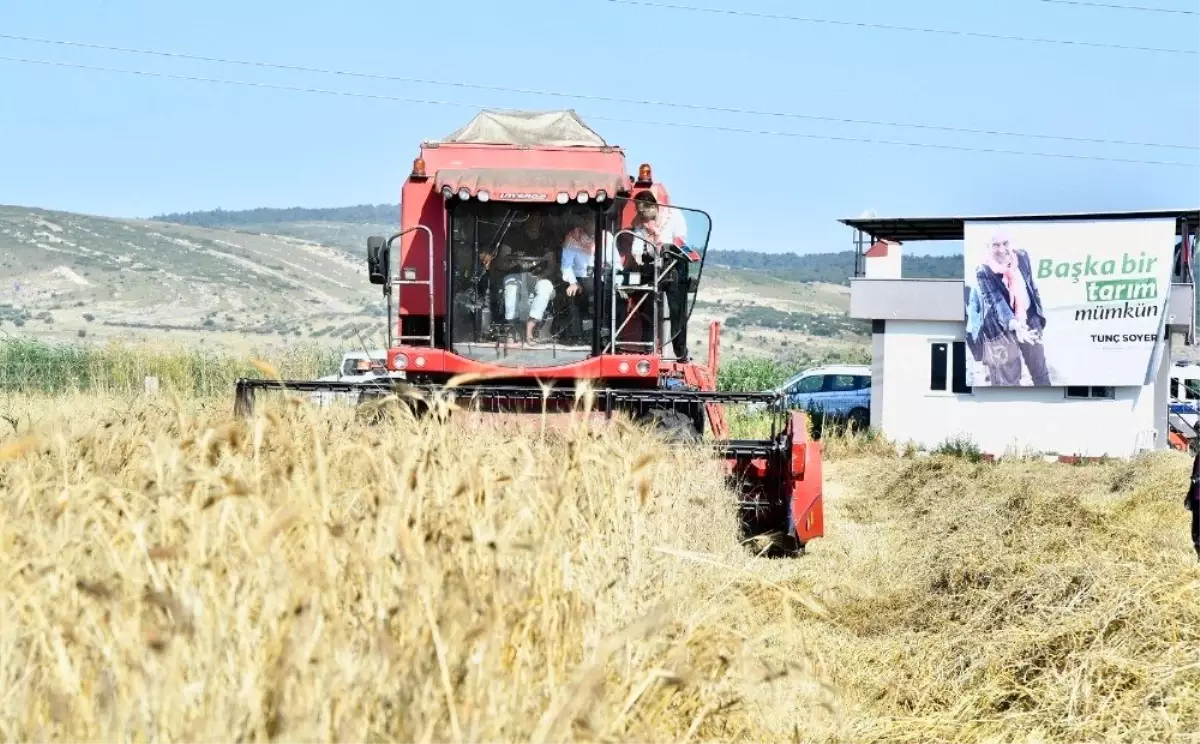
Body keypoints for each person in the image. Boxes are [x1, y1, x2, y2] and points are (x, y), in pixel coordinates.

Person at [974, 230, 1050, 385]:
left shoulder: (1022, 257)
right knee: (1008, 381)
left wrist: (1036, 317)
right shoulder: (983, 271)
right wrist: (1015, 324)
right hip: (1001, 328)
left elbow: (1031, 285)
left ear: (1012, 244)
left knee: (1040, 373)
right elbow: (997, 302)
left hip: (1029, 319)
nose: (1001, 249)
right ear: (988, 247)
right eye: (995, 245)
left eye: (1005, 243)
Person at [630, 192, 693, 362]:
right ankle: (647, 347)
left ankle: (680, 351)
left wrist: (665, 247)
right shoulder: (642, 224)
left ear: (652, 206)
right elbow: (637, 244)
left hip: (673, 262)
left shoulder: (674, 216)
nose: (640, 215)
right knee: (647, 306)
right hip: (651, 263)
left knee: (676, 310)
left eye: (642, 211)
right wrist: (637, 256)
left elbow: (680, 239)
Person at [490, 213, 557, 344]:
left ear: (541, 221)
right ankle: (512, 327)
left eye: (536, 219)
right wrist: (515, 261)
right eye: (530, 219)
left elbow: (551, 266)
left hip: (539, 276)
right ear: (524, 220)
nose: (533, 223)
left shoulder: (546, 238)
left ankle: (530, 328)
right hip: (515, 275)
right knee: (511, 288)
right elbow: (500, 262)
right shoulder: (512, 236)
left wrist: (540, 277)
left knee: (546, 288)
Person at [1187, 448, 1200, 561]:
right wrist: (1189, 495)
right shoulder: (1199, 456)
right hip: (1197, 498)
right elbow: (1194, 477)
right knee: (1196, 531)